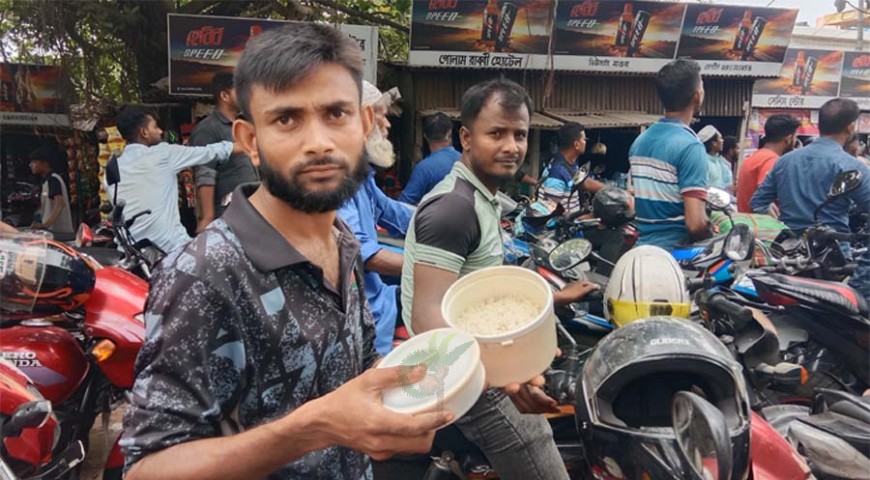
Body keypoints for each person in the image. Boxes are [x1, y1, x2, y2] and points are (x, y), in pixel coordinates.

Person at [121, 24, 449, 480]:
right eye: (287, 119)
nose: (318, 141)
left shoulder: (342, 240)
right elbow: (147, 470)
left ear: (365, 125)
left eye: (337, 114)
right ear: (250, 140)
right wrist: (313, 427)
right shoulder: (203, 274)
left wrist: (462, 372)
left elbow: (352, 374)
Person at [401, 78, 600, 480]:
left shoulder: (482, 197)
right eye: (497, 133)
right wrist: (506, 381)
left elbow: (480, 286)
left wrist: (552, 296)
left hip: (480, 360)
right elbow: (427, 319)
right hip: (470, 380)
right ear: (466, 138)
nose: (511, 146)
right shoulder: (453, 209)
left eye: (520, 135)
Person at [337, 81, 414, 355]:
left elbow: (394, 212)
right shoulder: (338, 180)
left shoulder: (362, 177)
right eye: (381, 114)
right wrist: (428, 267)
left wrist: (438, 213)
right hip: (362, 314)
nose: (387, 124)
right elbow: (361, 252)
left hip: (379, 301)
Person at [106, 106, 241, 253]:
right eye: (155, 127)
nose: (160, 131)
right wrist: (246, 145)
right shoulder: (163, 154)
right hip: (171, 250)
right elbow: (210, 152)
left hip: (131, 253)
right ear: (144, 132)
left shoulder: (113, 168)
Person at [751, 98, 870, 233]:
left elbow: (758, 202)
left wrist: (779, 227)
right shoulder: (851, 166)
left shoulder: (785, 161)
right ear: (851, 127)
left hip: (789, 248)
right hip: (832, 248)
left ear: (820, 125)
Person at [629, 59, 711, 249]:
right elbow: (695, 224)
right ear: (697, 96)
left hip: (641, 249)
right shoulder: (690, 146)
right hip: (674, 257)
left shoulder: (640, 141)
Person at [191, 71, 259, 232]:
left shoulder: (244, 125)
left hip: (252, 206)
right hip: (227, 211)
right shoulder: (207, 129)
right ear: (225, 96)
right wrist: (207, 217)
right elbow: (204, 173)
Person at [736, 114, 799, 213]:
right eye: (796, 137)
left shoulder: (756, 156)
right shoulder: (771, 160)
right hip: (761, 225)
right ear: (788, 138)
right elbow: (765, 198)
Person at [537, 122, 605, 213]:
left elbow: (583, 181)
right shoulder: (557, 172)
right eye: (584, 139)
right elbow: (549, 211)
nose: (585, 143)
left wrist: (613, 191)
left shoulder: (570, 164)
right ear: (576, 144)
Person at [398, 112, 461, 205]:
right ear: (450, 134)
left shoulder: (423, 169)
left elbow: (403, 204)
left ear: (425, 136)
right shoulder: (464, 160)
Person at [29, 147, 73, 235]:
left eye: (34, 162)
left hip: (59, 233)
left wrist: (45, 225)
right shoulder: (46, 181)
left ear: (45, 163)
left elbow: (59, 204)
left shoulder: (53, 180)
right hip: (51, 231)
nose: (31, 165)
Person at [698, 125, 732, 190]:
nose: (722, 141)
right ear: (714, 143)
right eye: (720, 138)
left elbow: (726, 183)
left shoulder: (720, 162)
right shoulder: (703, 162)